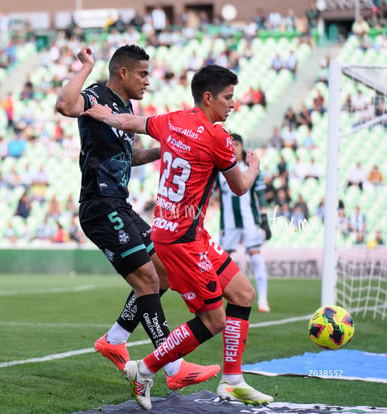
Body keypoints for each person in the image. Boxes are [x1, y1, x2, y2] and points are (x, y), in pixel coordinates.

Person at [83, 64, 273, 410]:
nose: (233, 104)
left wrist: (99, 113)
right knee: (214, 320)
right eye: (228, 97)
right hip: (183, 240)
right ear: (208, 97)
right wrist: (255, 165)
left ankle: (232, 380)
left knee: (243, 294)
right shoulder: (219, 138)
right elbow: (241, 186)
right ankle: (146, 368)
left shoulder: (171, 120)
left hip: (184, 232)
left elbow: (130, 122)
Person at [55, 45, 218, 391]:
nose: (148, 81)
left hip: (120, 204)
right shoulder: (96, 95)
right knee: (146, 280)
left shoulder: (126, 109)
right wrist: (87, 67)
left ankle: (114, 339)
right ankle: (172, 365)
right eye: (143, 74)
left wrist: (167, 148)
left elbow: (130, 155)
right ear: (123, 73)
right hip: (100, 206)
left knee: (164, 273)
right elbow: (65, 105)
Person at [217, 133, 272, 313]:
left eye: (237, 144)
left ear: (242, 146)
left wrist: (264, 219)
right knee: (224, 260)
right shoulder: (219, 168)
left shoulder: (251, 168)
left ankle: (263, 300)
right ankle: (221, 298)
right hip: (228, 223)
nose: (233, 147)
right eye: (230, 143)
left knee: (256, 256)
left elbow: (261, 194)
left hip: (249, 220)